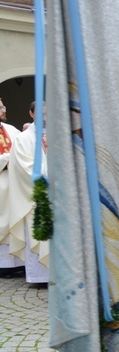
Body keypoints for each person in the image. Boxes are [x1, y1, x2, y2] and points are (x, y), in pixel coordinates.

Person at [7, 101, 48, 283]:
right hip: (35, 196)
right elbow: (25, 167)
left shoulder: (60, 135)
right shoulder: (22, 139)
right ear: (31, 114)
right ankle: (40, 277)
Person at [0, 98, 23, 271]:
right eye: (1, 107)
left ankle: (17, 263)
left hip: (14, 184)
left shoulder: (11, 130)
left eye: (3, 106)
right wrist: (8, 158)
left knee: (14, 221)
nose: (4, 110)